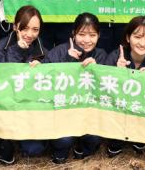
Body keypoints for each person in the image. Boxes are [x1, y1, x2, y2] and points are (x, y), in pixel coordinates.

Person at [0, 5, 47, 165]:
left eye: (35, 29)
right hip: (3, 108)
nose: (30, 34)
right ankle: (3, 142)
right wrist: (17, 51)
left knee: (35, 150)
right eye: (24, 28)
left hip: (28, 110)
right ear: (15, 27)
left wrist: (42, 70)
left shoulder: (43, 51)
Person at [44, 13, 107, 162]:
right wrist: (68, 61)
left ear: (99, 35)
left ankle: (83, 149)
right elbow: (43, 79)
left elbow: (108, 91)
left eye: (92, 35)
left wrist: (97, 71)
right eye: (82, 34)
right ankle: (60, 150)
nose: (87, 40)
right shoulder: (59, 51)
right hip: (62, 111)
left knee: (94, 137)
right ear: (73, 33)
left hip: (88, 113)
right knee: (64, 140)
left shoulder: (101, 55)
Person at [103, 16, 145, 157]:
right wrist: (117, 73)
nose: (142, 43)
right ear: (128, 38)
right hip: (117, 111)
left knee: (140, 143)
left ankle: (140, 138)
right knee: (115, 145)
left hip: (141, 111)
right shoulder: (115, 57)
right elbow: (103, 91)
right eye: (137, 37)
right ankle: (115, 139)